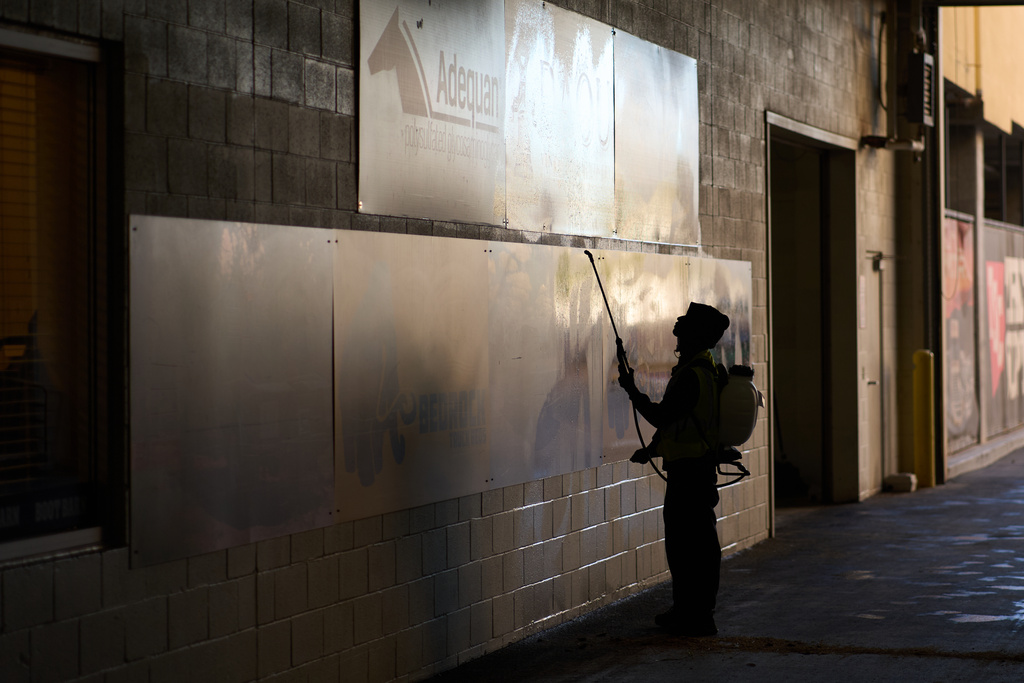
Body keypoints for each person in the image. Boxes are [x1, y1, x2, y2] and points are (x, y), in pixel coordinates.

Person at [617, 302, 730, 637]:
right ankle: (693, 611)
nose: (676, 332)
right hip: (698, 469)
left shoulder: (691, 376)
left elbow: (663, 416)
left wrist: (631, 391)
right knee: (698, 545)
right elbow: (683, 422)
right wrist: (652, 449)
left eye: (683, 328)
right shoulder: (707, 368)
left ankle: (694, 615)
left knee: (686, 547)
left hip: (690, 473)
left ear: (696, 335)